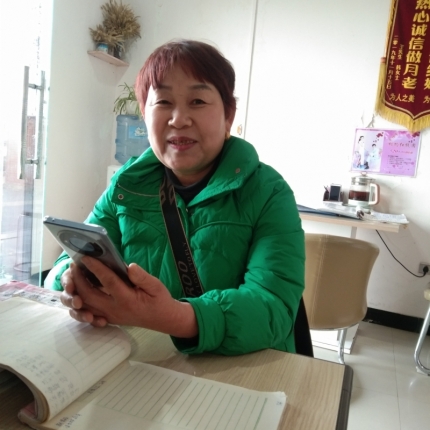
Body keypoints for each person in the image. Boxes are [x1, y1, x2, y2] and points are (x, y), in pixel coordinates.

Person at [44, 39, 305, 356]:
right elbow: (66, 263)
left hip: (243, 368)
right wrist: (70, 284)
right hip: (146, 360)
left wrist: (176, 317)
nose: (179, 119)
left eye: (197, 101)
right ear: (145, 114)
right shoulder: (126, 186)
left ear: (228, 116)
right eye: (164, 102)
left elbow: (275, 308)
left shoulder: (268, 192)